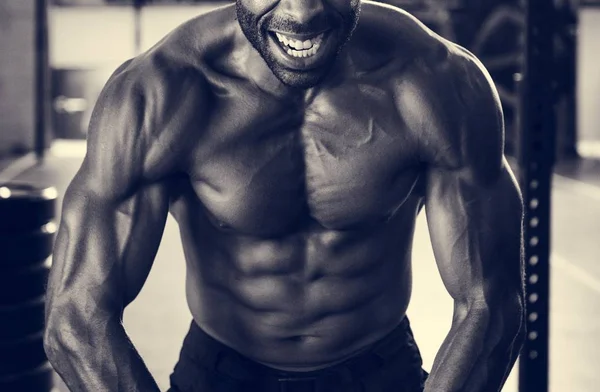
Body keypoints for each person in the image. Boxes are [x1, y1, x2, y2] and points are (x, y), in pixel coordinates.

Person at [43, 0, 526, 391]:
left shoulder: (436, 82)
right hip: (221, 375)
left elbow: (491, 306)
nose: (303, 12)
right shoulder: (161, 92)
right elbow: (77, 319)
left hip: (379, 371)